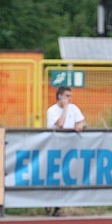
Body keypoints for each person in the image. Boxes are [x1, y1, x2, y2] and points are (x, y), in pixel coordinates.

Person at [46, 86, 85, 216]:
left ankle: (58, 207)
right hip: (55, 148)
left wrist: (80, 125)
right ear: (60, 97)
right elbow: (60, 124)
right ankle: (48, 203)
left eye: (70, 96)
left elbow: (81, 121)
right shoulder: (52, 110)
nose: (70, 99)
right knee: (53, 176)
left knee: (65, 175)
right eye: (67, 96)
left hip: (69, 148)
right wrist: (65, 108)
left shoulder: (74, 108)